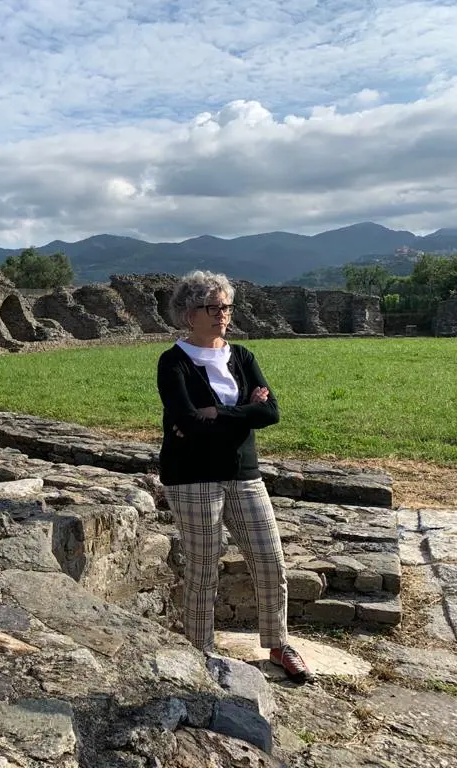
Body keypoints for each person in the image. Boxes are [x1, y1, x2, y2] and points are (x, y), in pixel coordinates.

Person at [156, 270, 313, 684]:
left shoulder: (241, 356)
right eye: (214, 307)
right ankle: (200, 650)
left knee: (270, 560)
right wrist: (244, 412)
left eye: (226, 306)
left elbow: (271, 412)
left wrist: (218, 415)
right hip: (192, 477)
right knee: (203, 568)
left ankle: (278, 643)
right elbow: (186, 421)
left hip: (243, 472)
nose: (223, 314)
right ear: (190, 314)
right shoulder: (173, 361)